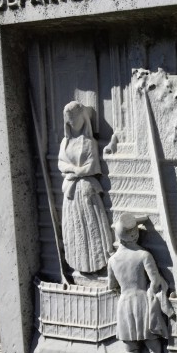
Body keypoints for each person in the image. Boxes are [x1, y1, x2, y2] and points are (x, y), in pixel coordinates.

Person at [108, 213, 173, 353]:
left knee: (130, 350)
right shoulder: (144, 255)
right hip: (142, 302)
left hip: (125, 304)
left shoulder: (113, 260)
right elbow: (154, 282)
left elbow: (112, 286)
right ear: (134, 235)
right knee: (153, 347)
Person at [58, 101, 113, 275]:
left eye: (74, 119)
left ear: (83, 119)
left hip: (86, 190)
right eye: (69, 120)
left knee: (90, 226)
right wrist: (73, 171)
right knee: (74, 227)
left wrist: (75, 171)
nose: (72, 123)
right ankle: (77, 264)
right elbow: (61, 163)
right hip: (70, 192)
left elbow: (91, 166)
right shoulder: (64, 143)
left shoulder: (89, 142)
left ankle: (95, 264)